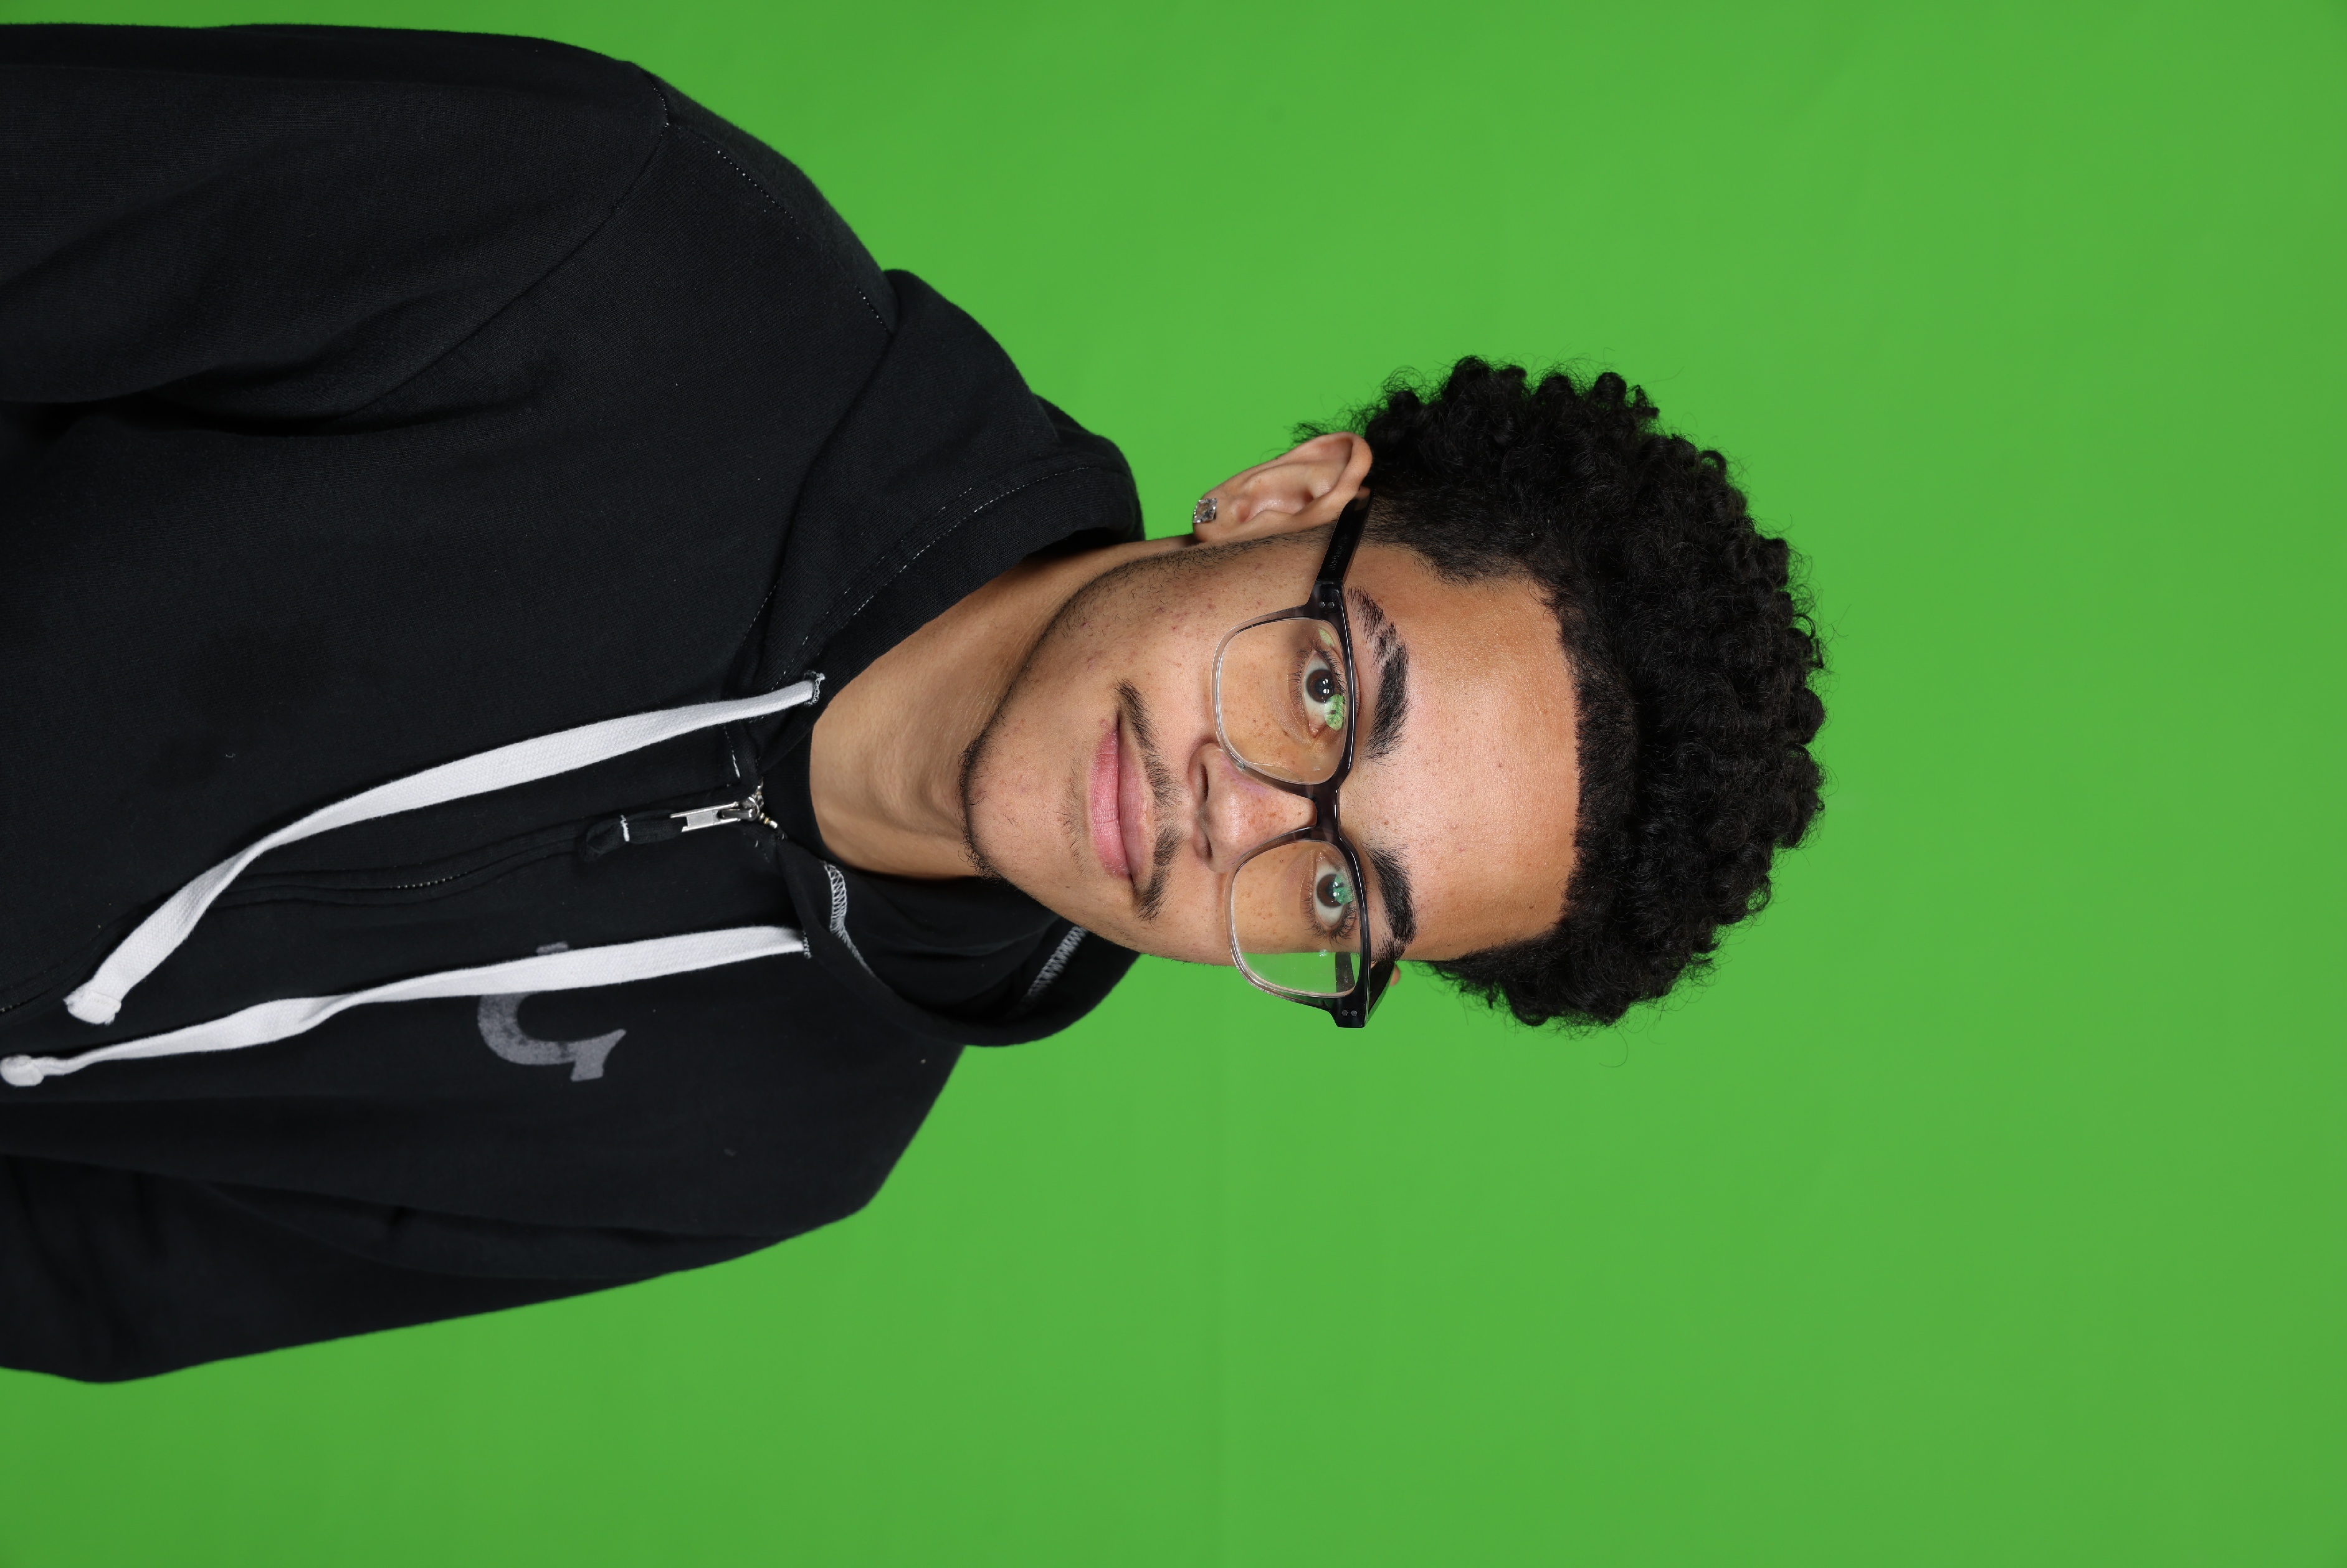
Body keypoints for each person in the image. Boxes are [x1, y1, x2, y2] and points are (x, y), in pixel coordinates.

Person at [0, 22, 1827, 1380]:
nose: (1240, 817)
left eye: (1341, 890)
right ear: (1282, 499)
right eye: (1330, 691)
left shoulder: (782, 1146)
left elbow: (82, 1277)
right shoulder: (616, 248)